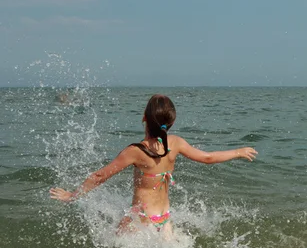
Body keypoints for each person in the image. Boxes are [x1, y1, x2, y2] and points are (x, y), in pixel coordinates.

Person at [50, 94, 258, 236]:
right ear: (171, 123)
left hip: (141, 221)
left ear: (144, 119)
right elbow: (208, 158)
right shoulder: (176, 143)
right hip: (165, 220)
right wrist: (238, 152)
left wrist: (72, 195)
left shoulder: (135, 151)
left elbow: (99, 177)